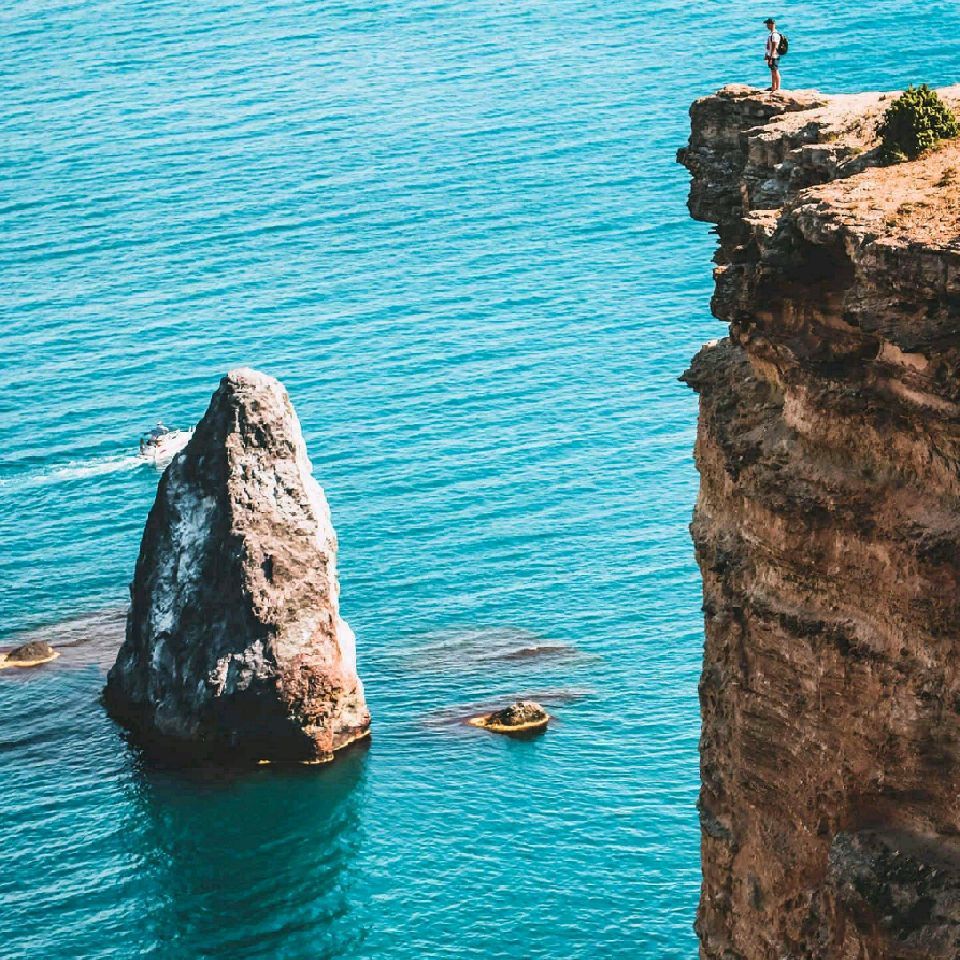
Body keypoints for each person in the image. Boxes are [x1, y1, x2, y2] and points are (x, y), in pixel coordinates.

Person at [764, 17, 782, 92]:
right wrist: (767, 54)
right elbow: (769, 46)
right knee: (772, 71)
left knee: (775, 71)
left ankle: (778, 88)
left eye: (768, 24)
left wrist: (771, 57)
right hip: (772, 55)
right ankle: (773, 87)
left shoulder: (774, 35)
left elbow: (774, 46)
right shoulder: (772, 34)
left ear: (771, 24)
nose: (767, 26)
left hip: (774, 56)